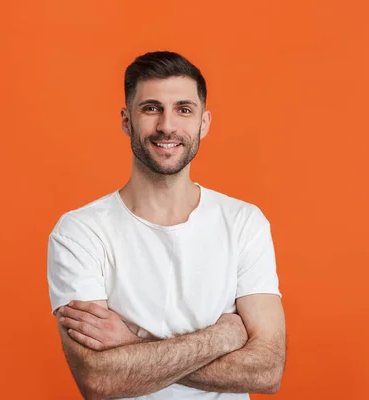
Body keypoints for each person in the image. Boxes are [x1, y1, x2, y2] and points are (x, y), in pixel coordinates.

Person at [47, 51, 286, 399]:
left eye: (184, 110)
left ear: (203, 123)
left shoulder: (243, 222)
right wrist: (223, 337)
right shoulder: (80, 233)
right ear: (127, 120)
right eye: (151, 108)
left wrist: (132, 344)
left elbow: (266, 371)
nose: (167, 126)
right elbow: (99, 380)